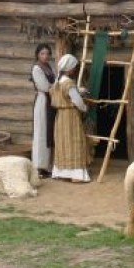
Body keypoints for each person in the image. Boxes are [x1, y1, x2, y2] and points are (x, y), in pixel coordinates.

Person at [50, 54, 91, 183]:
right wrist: (85, 108)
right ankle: (76, 175)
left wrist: (78, 90)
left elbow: (66, 94)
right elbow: (77, 101)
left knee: (63, 143)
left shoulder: (57, 82)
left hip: (60, 117)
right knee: (74, 142)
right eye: (74, 67)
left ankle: (62, 172)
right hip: (71, 116)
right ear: (69, 68)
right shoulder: (68, 83)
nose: (74, 69)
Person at [30, 43, 56, 178]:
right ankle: (38, 167)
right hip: (42, 102)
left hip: (49, 102)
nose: (45, 56)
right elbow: (44, 87)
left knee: (48, 134)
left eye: (47, 53)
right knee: (41, 133)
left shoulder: (48, 67)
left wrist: (55, 86)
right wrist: (57, 87)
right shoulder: (36, 68)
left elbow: (54, 83)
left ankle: (45, 167)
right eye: (42, 53)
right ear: (37, 55)